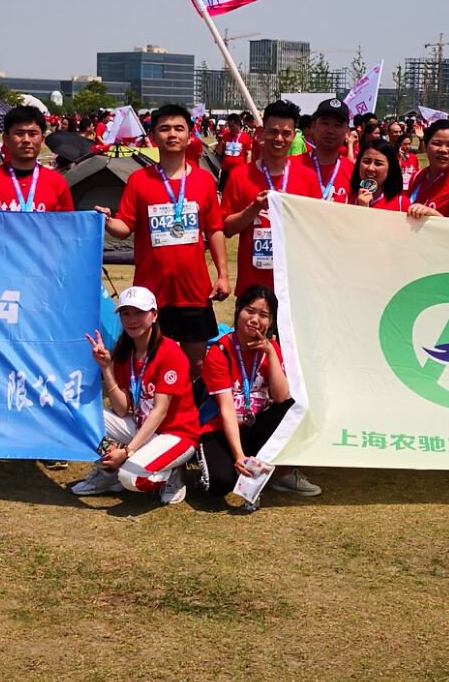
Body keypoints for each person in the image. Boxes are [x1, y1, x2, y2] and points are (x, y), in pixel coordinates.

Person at [105, 102, 228, 372]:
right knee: (151, 361)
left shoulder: (204, 181)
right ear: (153, 136)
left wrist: (222, 275)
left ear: (189, 135)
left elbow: (214, 229)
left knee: (196, 363)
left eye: (178, 128)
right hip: (152, 289)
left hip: (194, 290)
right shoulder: (139, 180)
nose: (172, 134)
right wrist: (107, 221)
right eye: (164, 129)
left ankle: (190, 412)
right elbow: (124, 227)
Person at [72, 287, 202, 504]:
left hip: (176, 434)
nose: (132, 319)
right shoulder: (125, 352)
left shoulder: (170, 353)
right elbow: (122, 409)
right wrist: (107, 369)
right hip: (142, 427)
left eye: (139, 312)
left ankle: (172, 471)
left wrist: (128, 451)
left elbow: (160, 411)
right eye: (126, 313)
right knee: (81, 416)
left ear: (154, 315)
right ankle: (107, 473)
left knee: (131, 478)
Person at [200, 285, 316, 508]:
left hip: (255, 424)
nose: (254, 320)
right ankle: (242, 464)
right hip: (221, 429)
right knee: (219, 484)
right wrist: (238, 455)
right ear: (238, 310)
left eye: (263, 315)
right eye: (249, 311)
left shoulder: (272, 348)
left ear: (271, 321)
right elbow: (226, 409)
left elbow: (281, 398)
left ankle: (281, 473)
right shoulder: (220, 352)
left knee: (296, 406)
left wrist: (270, 353)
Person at [221, 99, 320, 300]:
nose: (279, 138)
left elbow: (315, 228)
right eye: (273, 131)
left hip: (294, 288)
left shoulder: (308, 176)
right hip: (252, 286)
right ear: (262, 133)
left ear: (294, 136)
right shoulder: (241, 175)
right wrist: (254, 208)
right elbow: (227, 228)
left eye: (286, 133)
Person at [0, 105, 75, 212]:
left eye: (32, 134)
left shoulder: (57, 183)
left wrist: (93, 219)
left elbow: (70, 227)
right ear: (6, 139)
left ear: (42, 139)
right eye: (19, 133)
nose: (26, 140)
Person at [303, 97, 356, 203]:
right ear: (313, 126)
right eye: (325, 123)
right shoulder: (291, 166)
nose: (331, 130)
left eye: (338, 125)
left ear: (346, 132)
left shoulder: (355, 173)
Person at [352, 139, 409, 211]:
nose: (370, 168)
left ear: (390, 169)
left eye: (378, 163)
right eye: (366, 162)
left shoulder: (402, 204)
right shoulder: (343, 200)